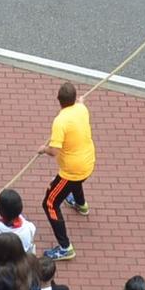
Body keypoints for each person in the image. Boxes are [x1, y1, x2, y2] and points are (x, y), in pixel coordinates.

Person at [41, 82, 95, 262]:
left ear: (59, 100)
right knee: (75, 182)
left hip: (72, 170)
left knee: (49, 203)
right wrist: (80, 102)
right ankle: (81, 204)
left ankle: (65, 248)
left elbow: (54, 151)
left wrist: (43, 149)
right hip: (88, 162)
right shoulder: (82, 109)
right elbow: (81, 103)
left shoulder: (60, 121)